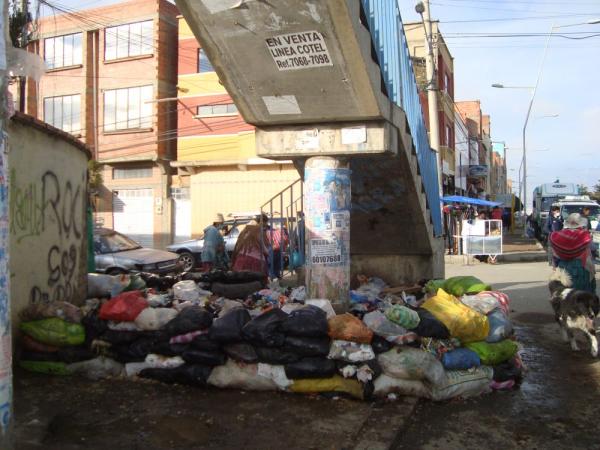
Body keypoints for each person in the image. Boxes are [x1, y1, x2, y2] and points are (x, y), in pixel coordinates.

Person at [549, 213, 596, 293]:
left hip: (563, 268)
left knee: (565, 293)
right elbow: (593, 248)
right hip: (581, 267)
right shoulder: (584, 235)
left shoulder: (558, 235)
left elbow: (554, 253)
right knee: (583, 294)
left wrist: (554, 266)